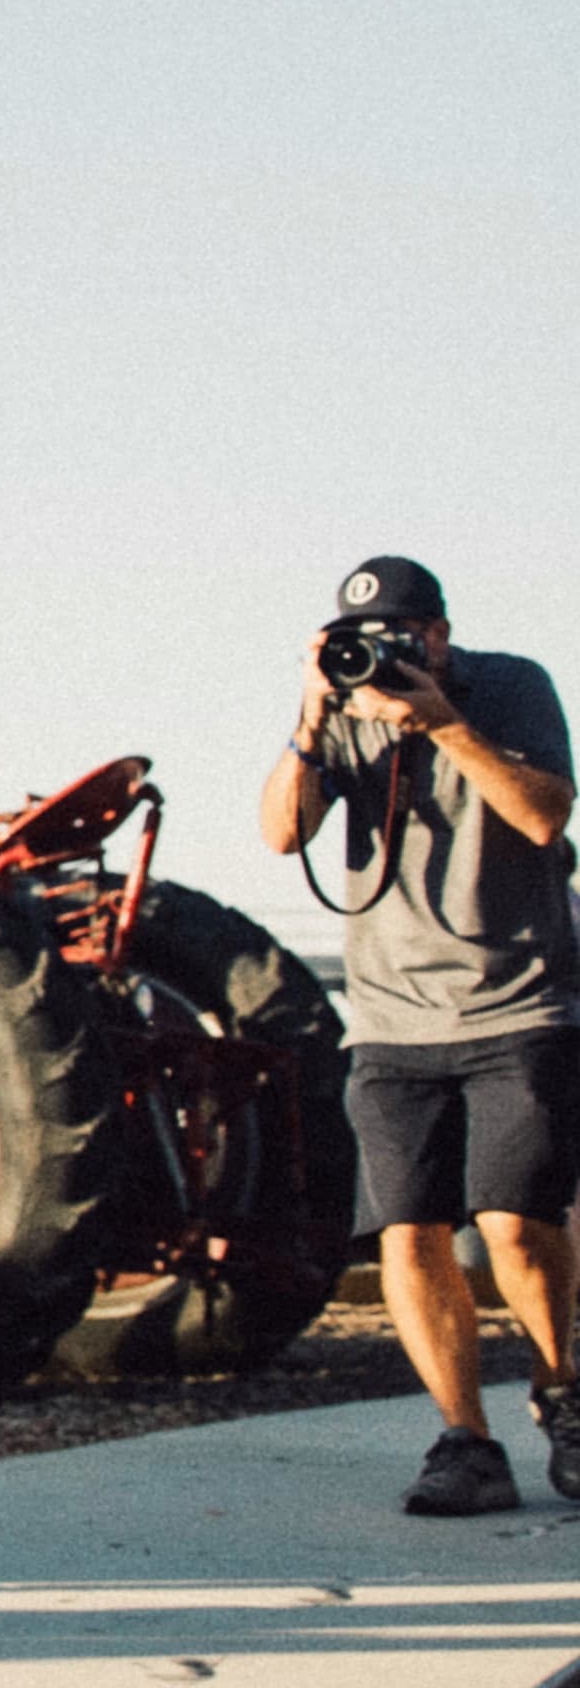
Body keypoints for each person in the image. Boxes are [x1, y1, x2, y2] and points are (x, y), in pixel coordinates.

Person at [261, 556, 579, 1517]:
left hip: (518, 1000)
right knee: (409, 1229)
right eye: (369, 637)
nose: (389, 653)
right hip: (393, 1019)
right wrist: (313, 718)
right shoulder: (347, 709)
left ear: (439, 634)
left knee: (516, 1221)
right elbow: (283, 835)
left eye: (405, 635)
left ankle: (564, 1391)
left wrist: (441, 720)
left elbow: (544, 815)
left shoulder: (510, 686)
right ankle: (465, 1442)